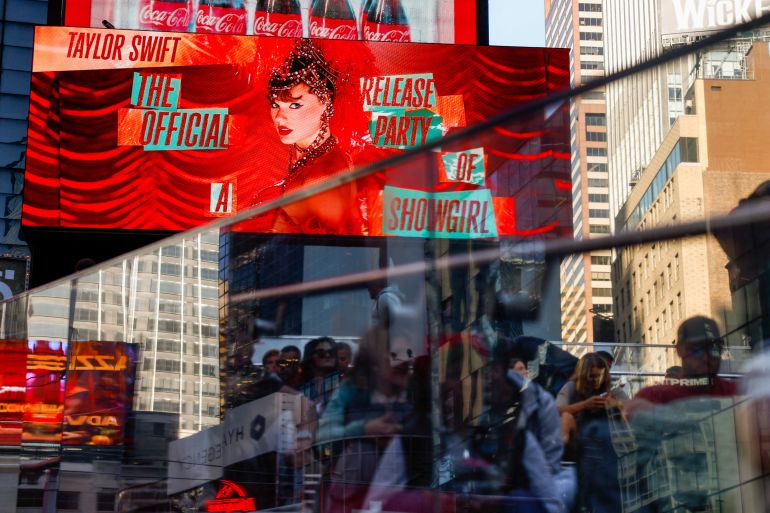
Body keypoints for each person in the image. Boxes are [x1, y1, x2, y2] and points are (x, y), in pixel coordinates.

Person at [254, 38, 364, 235]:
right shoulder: (317, 160)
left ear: (326, 102)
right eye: (275, 104)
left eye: (295, 105)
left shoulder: (320, 178)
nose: (280, 116)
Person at [317, 327, 430, 513]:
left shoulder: (418, 394)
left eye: (408, 353)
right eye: (395, 354)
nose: (404, 361)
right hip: (352, 496)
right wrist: (364, 430)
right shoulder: (351, 392)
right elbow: (323, 438)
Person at [556, 353, 622, 513]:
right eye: (591, 376)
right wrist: (584, 405)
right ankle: (556, 460)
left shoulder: (612, 388)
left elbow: (631, 409)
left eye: (599, 376)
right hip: (577, 440)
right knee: (565, 417)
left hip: (607, 441)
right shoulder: (571, 387)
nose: (595, 380)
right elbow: (557, 409)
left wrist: (614, 404)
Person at [299, 337, 341, 416]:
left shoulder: (344, 386)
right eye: (321, 353)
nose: (327, 355)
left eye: (331, 352)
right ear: (311, 356)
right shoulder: (300, 389)